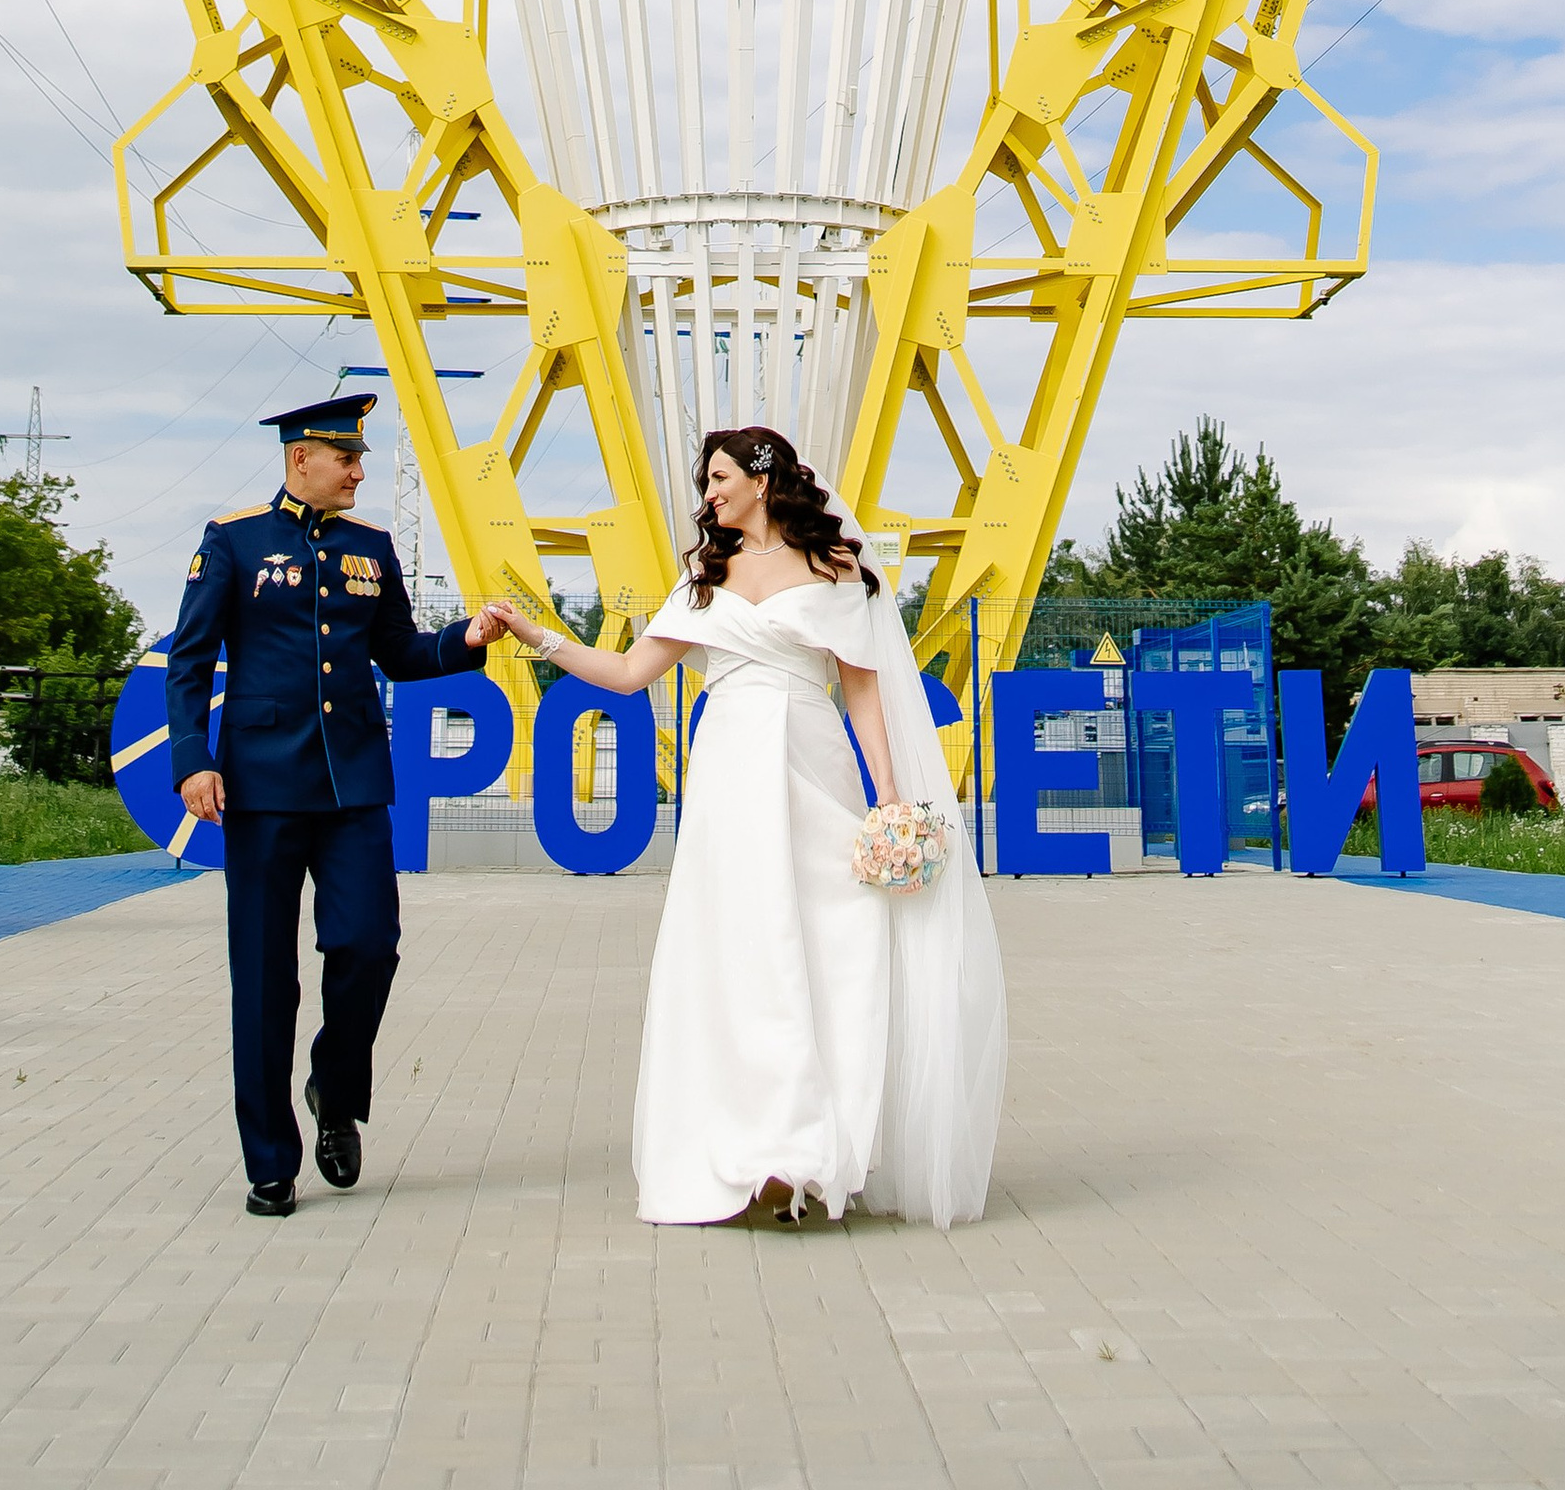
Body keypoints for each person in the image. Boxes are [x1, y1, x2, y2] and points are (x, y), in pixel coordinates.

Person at [499, 421, 1004, 1227]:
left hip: (812, 769)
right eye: (707, 483)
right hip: (730, 777)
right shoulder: (706, 574)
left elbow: (865, 695)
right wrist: (542, 637)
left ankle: (811, 1154)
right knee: (738, 954)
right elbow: (630, 673)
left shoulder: (835, 567)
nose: (709, 494)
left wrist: (891, 800)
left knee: (832, 947)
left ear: (761, 479)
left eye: (719, 478)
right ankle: (755, 1151)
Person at [167, 390, 524, 1219]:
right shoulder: (234, 541)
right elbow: (190, 661)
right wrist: (191, 759)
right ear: (302, 460)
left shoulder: (372, 546)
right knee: (263, 977)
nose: (360, 470)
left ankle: (333, 1084)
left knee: (369, 945)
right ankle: (269, 1159)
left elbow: (396, 649)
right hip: (258, 785)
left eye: (361, 456)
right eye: (347, 457)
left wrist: (462, 640)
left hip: (354, 782)